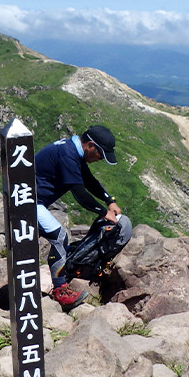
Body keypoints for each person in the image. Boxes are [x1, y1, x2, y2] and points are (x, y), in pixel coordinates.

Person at [34, 125, 132, 309]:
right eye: (100, 154)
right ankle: (60, 291)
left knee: (56, 238)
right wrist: (104, 213)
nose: (100, 159)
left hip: (35, 201)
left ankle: (56, 281)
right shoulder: (67, 155)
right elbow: (79, 193)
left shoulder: (72, 151)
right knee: (60, 237)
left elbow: (89, 181)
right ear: (90, 145)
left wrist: (109, 200)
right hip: (28, 202)